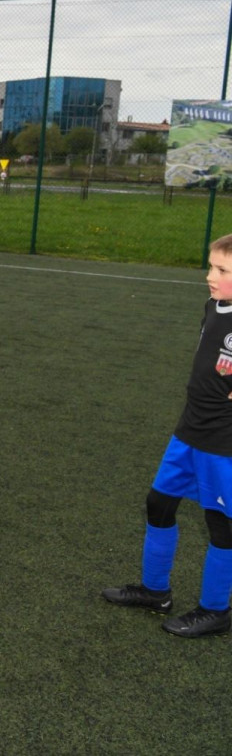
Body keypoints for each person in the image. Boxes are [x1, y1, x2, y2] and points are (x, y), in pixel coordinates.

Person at [101, 233, 232, 638]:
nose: (210, 275)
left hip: (223, 442)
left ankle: (216, 610)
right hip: (189, 429)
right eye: (211, 266)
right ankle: (155, 591)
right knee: (158, 504)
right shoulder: (214, 306)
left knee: (221, 524)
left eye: (222, 270)